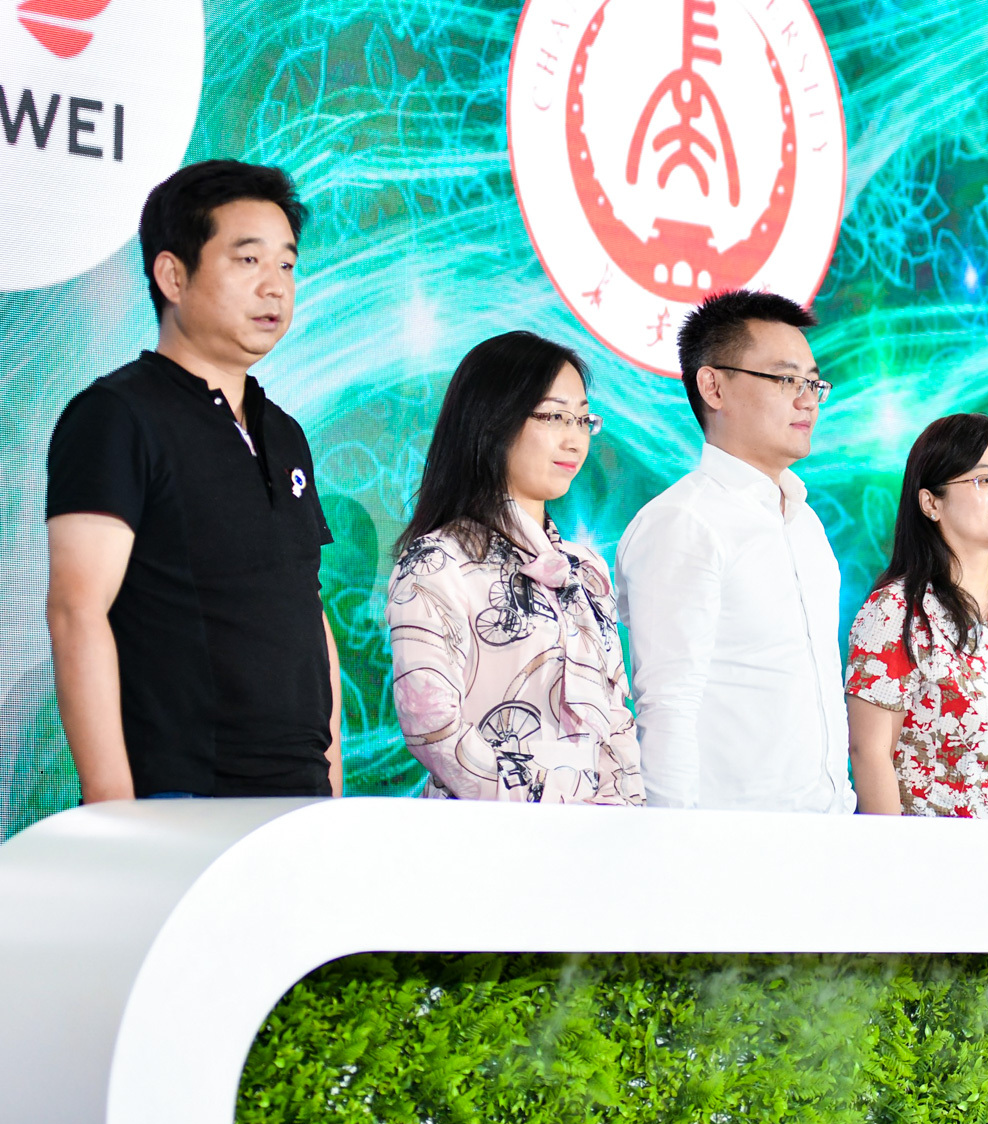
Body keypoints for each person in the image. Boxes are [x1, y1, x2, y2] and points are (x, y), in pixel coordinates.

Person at [45, 160, 340, 801]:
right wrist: (114, 809)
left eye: (287, 265)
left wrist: (329, 779)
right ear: (173, 276)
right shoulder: (115, 416)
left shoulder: (285, 432)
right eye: (248, 260)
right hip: (178, 798)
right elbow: (76, 611)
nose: (275, 287)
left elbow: (306, 606)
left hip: (298, 798)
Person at [616, 290, 853, 812]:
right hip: (728, 837)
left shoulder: (805, 522)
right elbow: (667, 705)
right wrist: (673, 841)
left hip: (827, 827)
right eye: (786, 380)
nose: (808, 400)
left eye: (814, 383)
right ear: (714, 386)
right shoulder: (683, 522)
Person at [386, 332, 643, 804]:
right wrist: (546, 805)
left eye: (583, 419)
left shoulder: (585, 570)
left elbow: (614, 721)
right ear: (492, 419)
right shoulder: (437, 561)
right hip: (487, 831)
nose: (574, 438)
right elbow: (431, 725)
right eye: (553, 416)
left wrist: (621, 814)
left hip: (592, 834)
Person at [845, 414, 988, 819]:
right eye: (985, 480)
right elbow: (869, 752)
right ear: (931, 503)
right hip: (933, 853)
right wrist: (889, 854)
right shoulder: (898, 610)